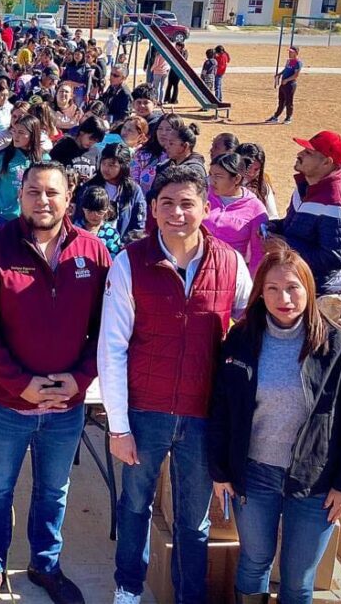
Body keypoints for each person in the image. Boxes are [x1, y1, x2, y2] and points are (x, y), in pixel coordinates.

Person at [100, 163, 253, 604]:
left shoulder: (230, 264)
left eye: (188, 203)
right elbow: (112, 347)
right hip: (144, 413)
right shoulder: (131, 263)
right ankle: (128, 588)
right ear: (153, 208)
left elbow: (250, 325)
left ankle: (190, 596)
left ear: (206, 208)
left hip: (203, 415)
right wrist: (118, 426)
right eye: (166, 203)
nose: (177, 212)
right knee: (135, 506)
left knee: (194, 519)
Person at [0, 163, 111, 604]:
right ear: (20, 195)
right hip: (7, 403)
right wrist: (18, 383)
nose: (42, 201)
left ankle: (45, 563)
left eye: (52, 193)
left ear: (69, 198)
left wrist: (80, 379)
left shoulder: (93, 252)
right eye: (32, 192)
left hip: (66, 405)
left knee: (53, 489)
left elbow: (107, 328)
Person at [208, 244, 341, 604]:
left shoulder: (337, 344)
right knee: (254, 562)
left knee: (299, 577)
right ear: (260, 292)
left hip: (316, 480)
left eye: (293, 287)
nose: (283, 298)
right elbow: (221, 408)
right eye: (272, 288)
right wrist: (220, 471)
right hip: (255, 475)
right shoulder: (242, 340)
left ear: (309, 289)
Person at [267, 132, 341, 297]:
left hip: (316, 292)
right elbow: (296, 226)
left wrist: (286, 247)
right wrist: (274, 226)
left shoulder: (338, 203)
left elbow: (334, 258)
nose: (299, 154)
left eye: (308, 153)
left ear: (326, 162)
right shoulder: (305, 186)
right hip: (296, 282)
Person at [204, 152, 269, 273]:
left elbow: (258, 254)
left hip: (230, 274)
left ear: (237, 179)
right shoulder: (202, 196)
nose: (211, 181)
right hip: (194, 268)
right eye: (210, 174)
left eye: (218, 176)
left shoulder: (256, 209)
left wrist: (251, 286)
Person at [0, 113, 46, 226]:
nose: (16, 136)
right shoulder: (4, 157)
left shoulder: (44, 160)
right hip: (2, 219)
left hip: (32, 221)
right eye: (14, 131)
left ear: (32, 135)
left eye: (21, 132)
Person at [49, 115, 106, 180]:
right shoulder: (62, 147)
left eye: (96, 141)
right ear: (82, 132)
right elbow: (51, 172)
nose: (92, 143)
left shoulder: (96, 152)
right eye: (91, 138)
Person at [237, 142, 280, 219]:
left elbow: (272, 215)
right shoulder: (226, 181)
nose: (251, 173)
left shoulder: (263, 186)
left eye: (256, 169)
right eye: (248, 167)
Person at [75, 185, 123, 255]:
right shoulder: (74, 230)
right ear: (83, 208)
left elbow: (114, 259)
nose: (94, 215)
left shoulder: (112, 234)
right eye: (89, 211)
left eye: (99, 212)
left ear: (107, 210)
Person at [266, 46, 302, 125]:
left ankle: (288, 118)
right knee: (281, 101)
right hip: (283, 84)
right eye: (289, 51)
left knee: (289, 102)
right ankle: (275, 117)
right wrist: (279, 74)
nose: (289, 53)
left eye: (291, 52)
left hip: (290, 84)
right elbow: (286, 70)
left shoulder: (298, 62)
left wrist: (287, 80)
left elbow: (296, 75)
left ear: (296, 53)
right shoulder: (288, 61)